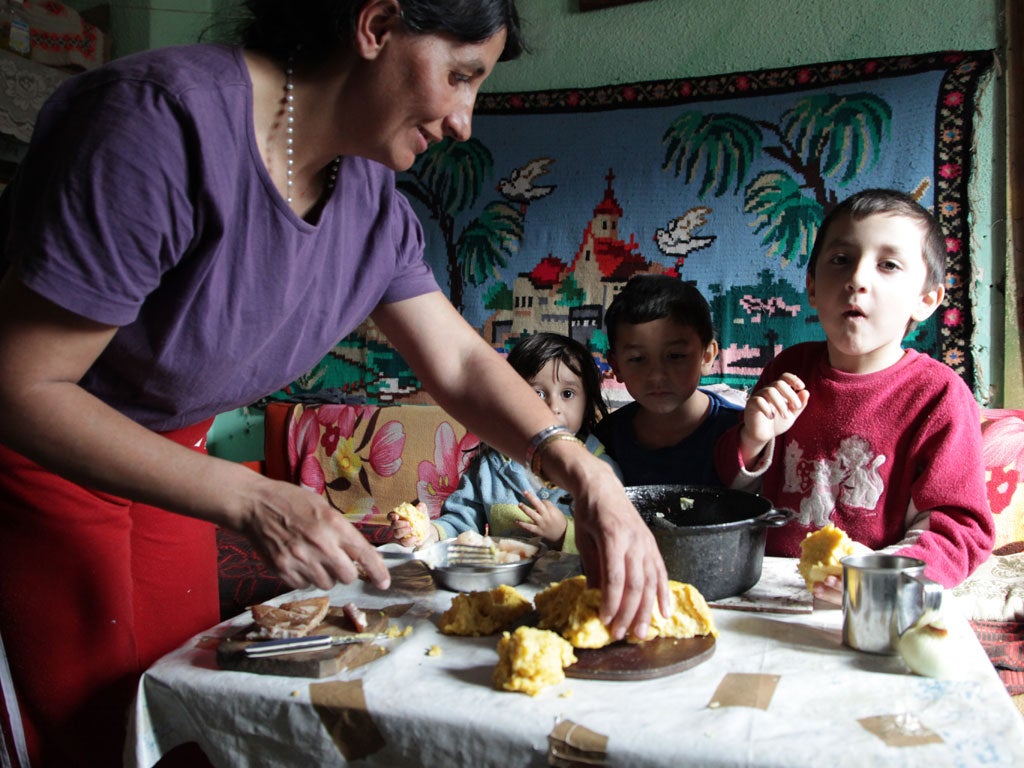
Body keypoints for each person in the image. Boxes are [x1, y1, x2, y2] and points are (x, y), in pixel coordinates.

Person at [0, 2, 669, 766]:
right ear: (377, 25)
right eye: (458, 76)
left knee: (186, 715)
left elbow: (459, 363)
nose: (463, 122)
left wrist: (585, 473)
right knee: (86, 734)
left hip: (169, 465)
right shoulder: (156, 125)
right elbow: (23, 385)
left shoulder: (369, 202)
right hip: (42, 458)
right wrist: (251, 496)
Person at [714, 188, 993, 604]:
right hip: (768, 593)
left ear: (927, 299)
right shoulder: (788, 370)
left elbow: (960, 530)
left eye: (888, 265)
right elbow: (730, 488)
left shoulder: (939, 395)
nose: (857, 279)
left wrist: (881, 576)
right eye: (841, 260)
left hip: (874, 600)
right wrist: (752, 440)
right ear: (811, 287)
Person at [390, 332, 620, 552]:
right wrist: (427, 531)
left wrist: (563, 534)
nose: (553, 408)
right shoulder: (490, 465)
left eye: (567, 394)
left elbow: (614, 540)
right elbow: (462, 522)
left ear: (587, 401)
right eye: (538, 394)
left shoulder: (602, 468)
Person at [595, 274, 742, 486]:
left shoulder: (739, 433)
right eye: (637, 359)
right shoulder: (606, 438)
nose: (657, 375)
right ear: (616, 366)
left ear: (707, 356)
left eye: (675, 356)